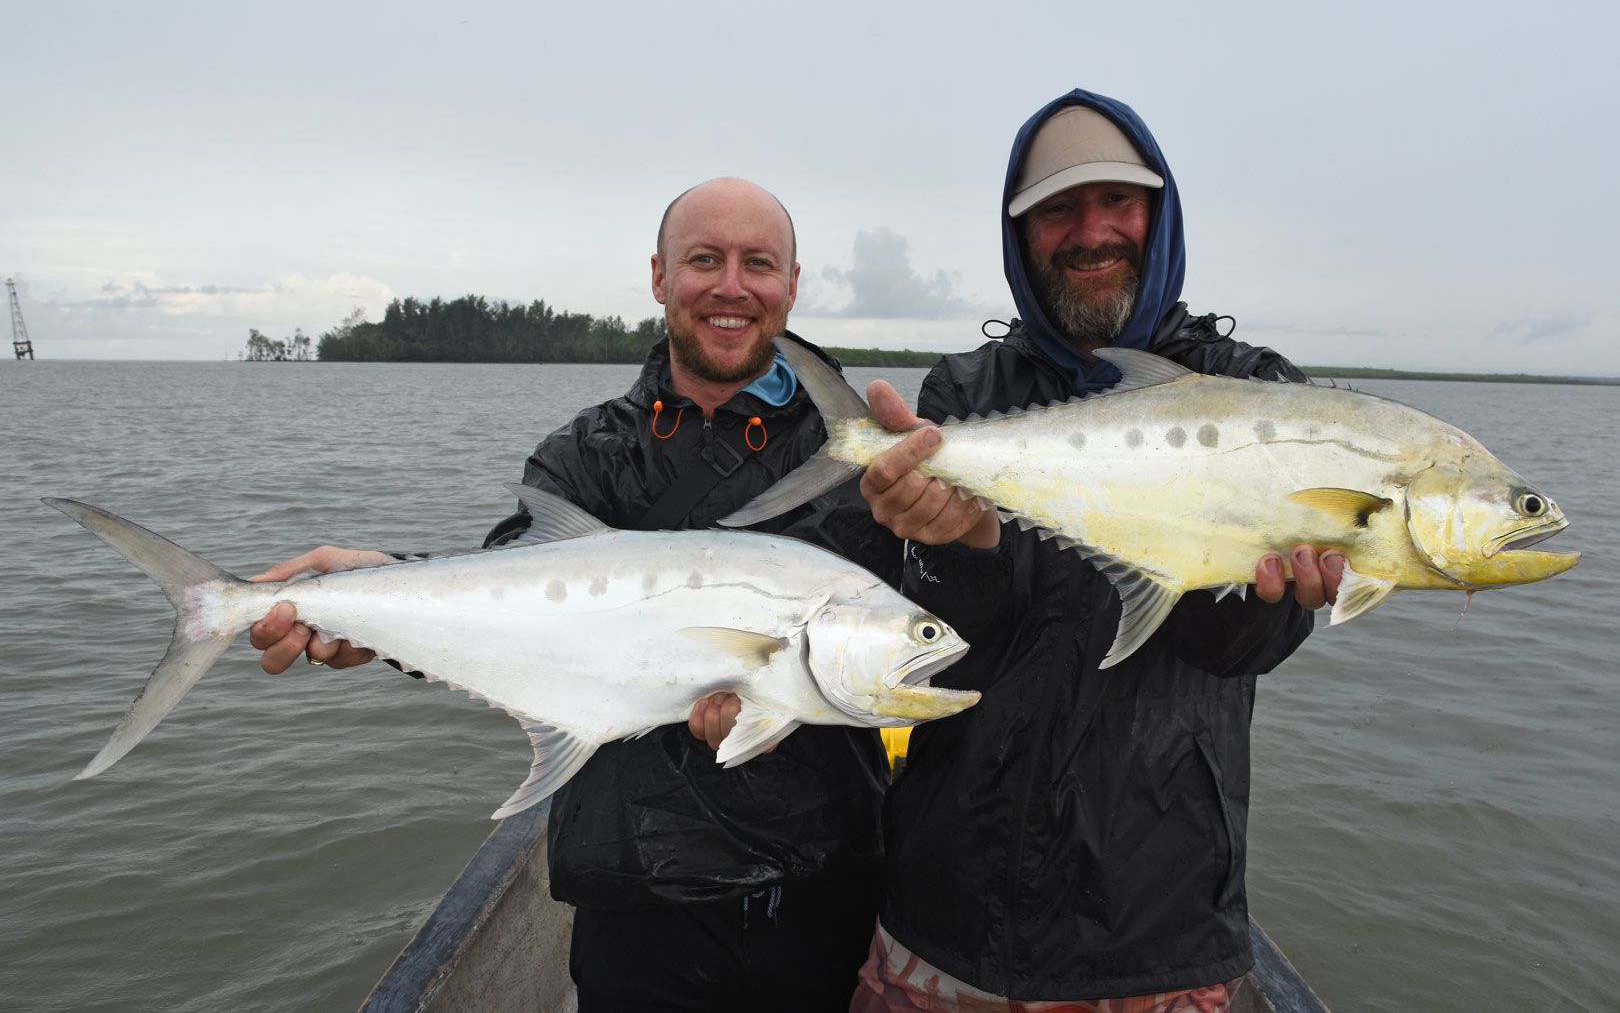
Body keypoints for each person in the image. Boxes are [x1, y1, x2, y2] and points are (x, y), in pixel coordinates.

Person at [250, 177, 898, 1012]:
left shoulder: (858, 456)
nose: (731, 286)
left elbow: (916, 620)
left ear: (793, 284)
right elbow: (510, 591)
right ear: (661, 278)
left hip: (825, 885)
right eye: (704, 260)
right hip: (634, 899)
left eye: (757, 263)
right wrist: (373, 606)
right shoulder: (586, 453)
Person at [847, 91, 1343, 1011]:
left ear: (1161, 213)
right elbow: (936, 645)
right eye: (1058, 209)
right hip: (948, 908)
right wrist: (964, 549)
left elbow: (1240, 651)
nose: (1091, 231)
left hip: (1159, 925)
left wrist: (1277, 592)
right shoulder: (965, 393)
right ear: (1021, 233)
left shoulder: (1254, 394)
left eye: (1119, 200)